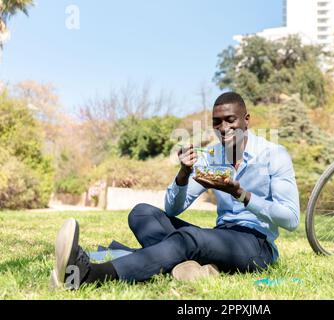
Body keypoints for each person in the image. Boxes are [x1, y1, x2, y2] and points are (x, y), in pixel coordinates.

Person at [50, 92, 300, 289]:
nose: (223, 129)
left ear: (246, 120)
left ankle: (90, 275)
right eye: (216, 122)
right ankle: (190, 267)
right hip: (220, 237)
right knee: (142, 214)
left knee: (190, 239)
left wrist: (242, 195)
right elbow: (172, 208)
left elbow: (291, 219)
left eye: (230, 120)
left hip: (257, 246)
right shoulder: (212, 156)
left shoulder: (273, 155)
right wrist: (183, 173)